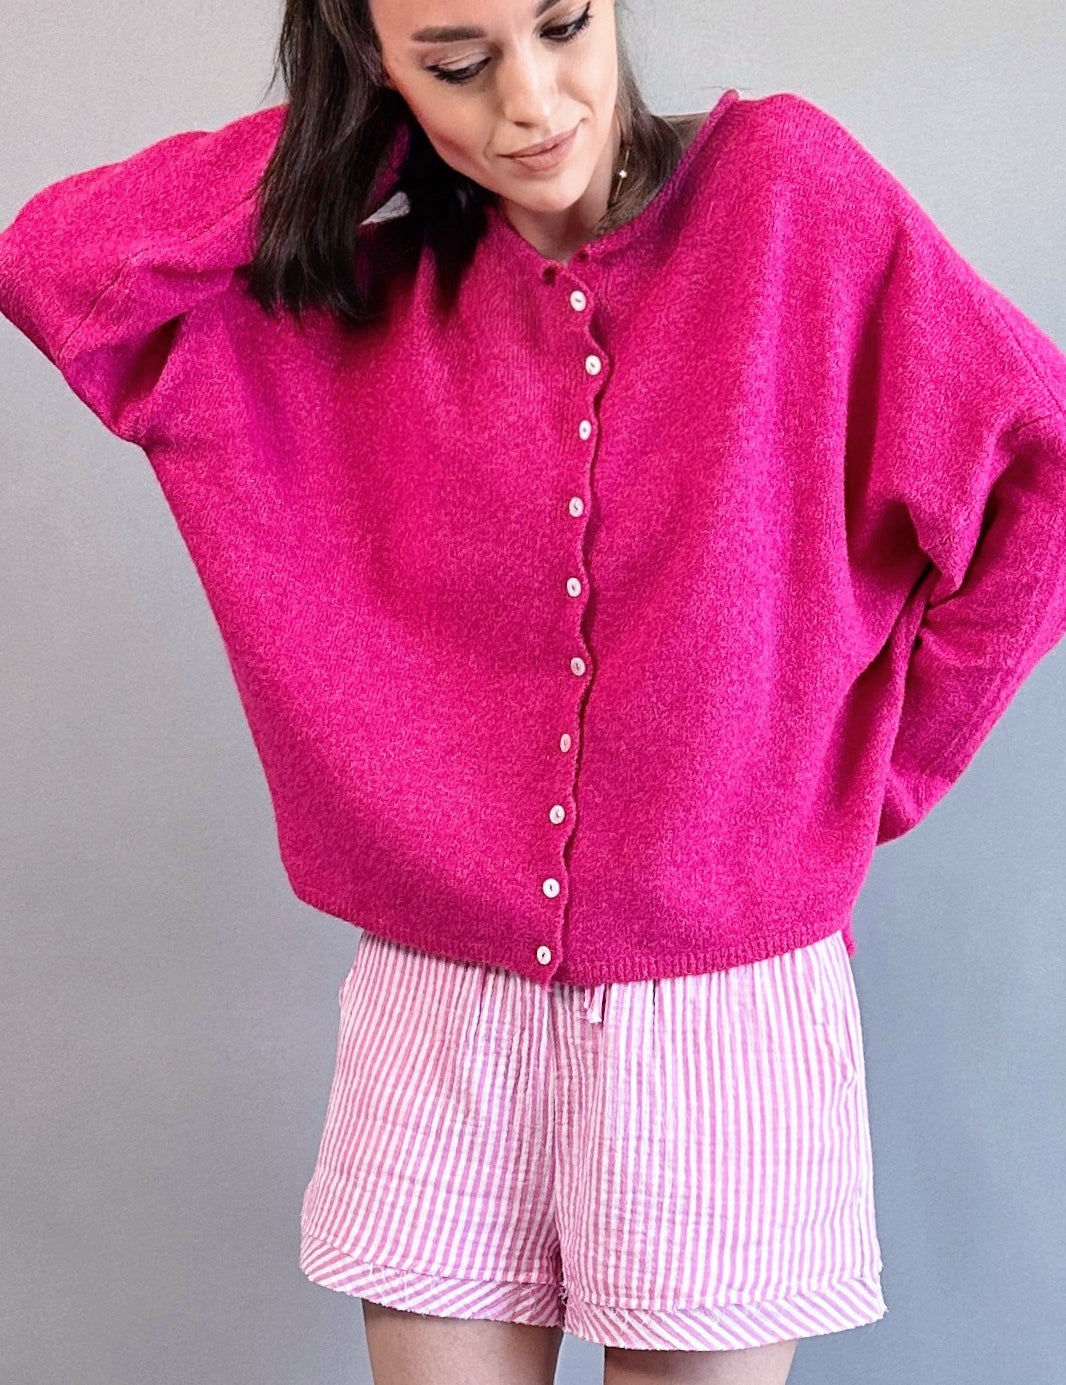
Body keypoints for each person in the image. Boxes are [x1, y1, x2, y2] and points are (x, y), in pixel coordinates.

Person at [3, 2, 1066, 1384]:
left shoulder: (785, 203)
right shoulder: (360, 295)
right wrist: (356, 139)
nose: (532, 102)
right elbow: (53, 266)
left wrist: (872, 775)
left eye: (563, 23)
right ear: (372, 54)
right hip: (440, 1010)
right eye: (457, 61)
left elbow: (1040, 470)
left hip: (714, 1011)